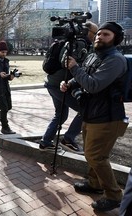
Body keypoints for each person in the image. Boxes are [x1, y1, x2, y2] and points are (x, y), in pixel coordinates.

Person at [60, 21, 128, 212]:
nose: (100, 37)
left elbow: (93, 85)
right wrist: (70, 83)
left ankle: (114, 195)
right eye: (99, 34)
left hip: (108, 117)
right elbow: (85, 74)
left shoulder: (116, 60)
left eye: (106, 34)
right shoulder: (94, 55)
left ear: (116, 39)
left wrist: (73, 67)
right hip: (91, 113)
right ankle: (95, 183)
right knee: (92, 153)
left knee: (96, 156)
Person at [39, 21, 98, 154]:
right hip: (61, 85)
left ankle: (45, 142)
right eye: (96, 33)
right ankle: (68, 139)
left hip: (52, 83)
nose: (96, 36)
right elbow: (68, 64)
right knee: (85, 110)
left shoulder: (72, 42)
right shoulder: (81, 43)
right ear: (87, 31)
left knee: (60, 115)